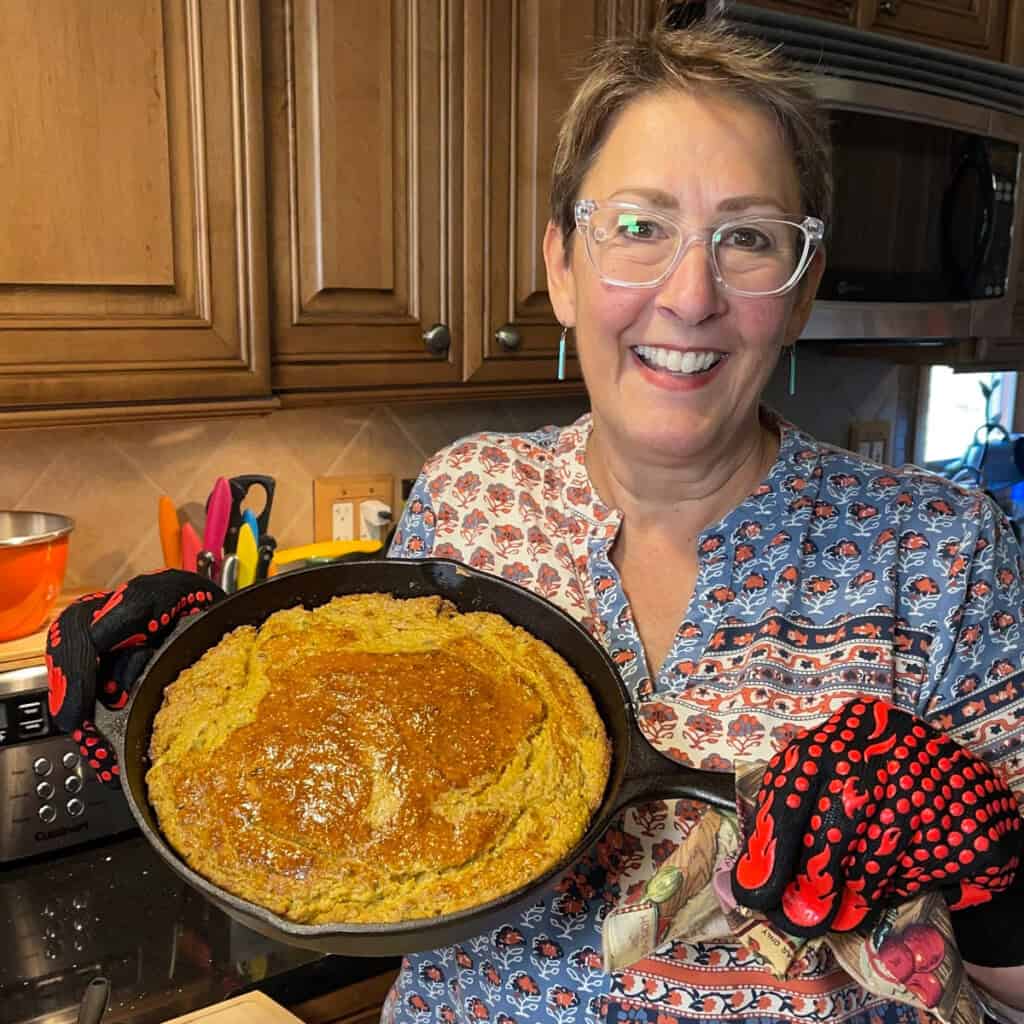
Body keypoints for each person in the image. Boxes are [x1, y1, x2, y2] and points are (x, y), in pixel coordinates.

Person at [47, 21, 1024, 1024]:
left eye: (747, 237)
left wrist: (991, 863)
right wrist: (179, 696)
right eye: (639, 227)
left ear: (801, 285)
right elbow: (347, 800)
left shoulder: (939, 552)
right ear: (560, 263)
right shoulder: (467, 497)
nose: (688, 296)